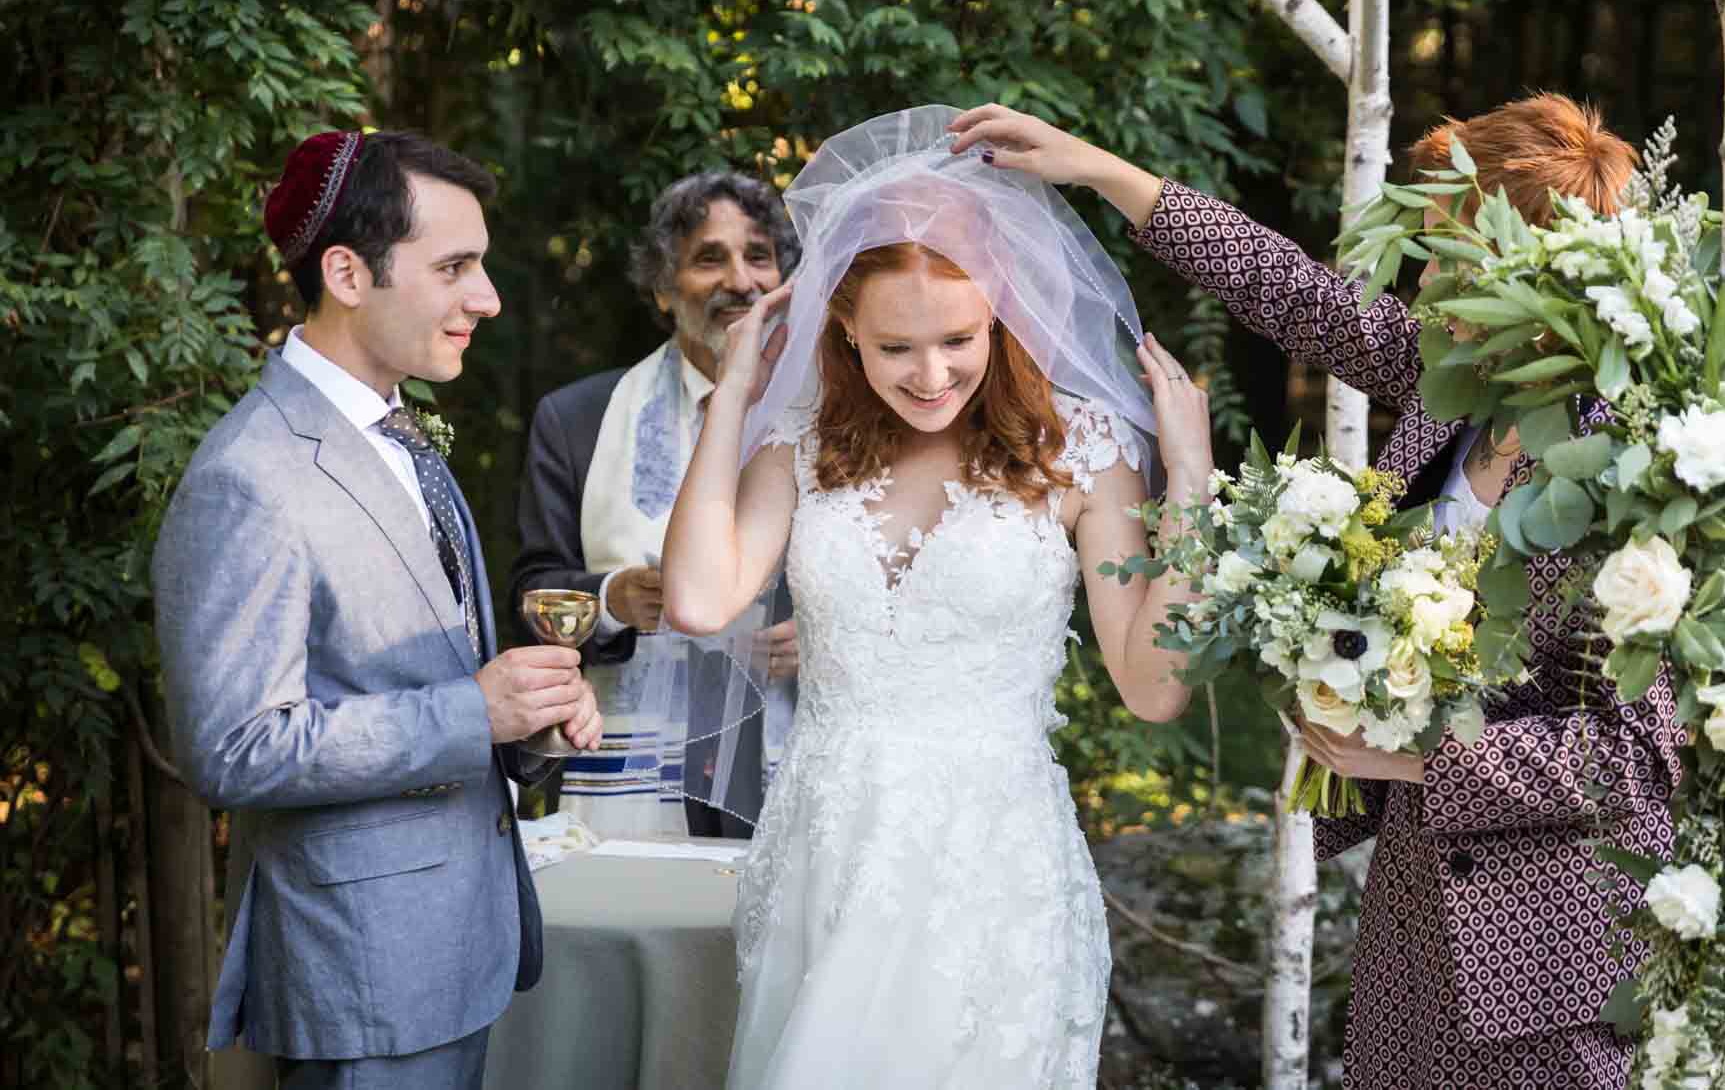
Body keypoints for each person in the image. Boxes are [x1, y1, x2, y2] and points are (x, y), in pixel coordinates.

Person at [948, 95, 1682, 1090]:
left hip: (1555, 959)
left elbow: (1638, 760)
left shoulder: (1638, 470)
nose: (1422, 283)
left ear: (1535, 267)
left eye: (1446, 258)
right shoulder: (1451, 384)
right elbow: (1291, 292)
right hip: (1413, 919)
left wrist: (1425, 755)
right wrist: (1099, 169)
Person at [659, 105, 1213, 1088]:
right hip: (825, 854)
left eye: (956, 338)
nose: (931, 374)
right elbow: (701, 600)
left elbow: (1151, 684)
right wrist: (733, 398)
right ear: (843, 329)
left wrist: (1192, 479)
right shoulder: (801, 439)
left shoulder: (1080, 452)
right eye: (895, 349)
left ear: (1000, 307)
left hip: (991, 874)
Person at [152, 130, 604, 1090]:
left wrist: (528, 723)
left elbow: (428, 676)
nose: (485, 297)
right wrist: (472, 712)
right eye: (455, 267)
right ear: (348, 272)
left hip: (453, 953)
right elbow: (234, 745)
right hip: (362, 978)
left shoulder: (405, 434)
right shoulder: (251, 476)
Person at [511, 171, 802, 839]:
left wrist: (824, 635)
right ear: (663, 289)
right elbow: (531, 594)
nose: (742, 280)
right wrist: (612, 598)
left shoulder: (840, 415)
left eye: (759, 256)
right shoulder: (578, 419)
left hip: (801, 763)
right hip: (634, 784)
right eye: (709, 257)